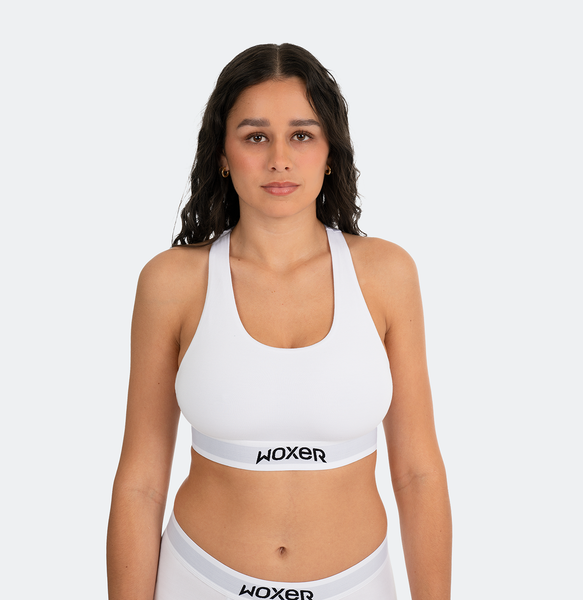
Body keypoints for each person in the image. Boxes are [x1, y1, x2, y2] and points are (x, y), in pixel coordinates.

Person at [107, 43, 452, 600]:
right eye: (255, 137)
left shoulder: (387, 275)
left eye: (302, 135)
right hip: (198, 581)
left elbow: (418, 473)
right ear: (222, 154)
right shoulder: (171, 283)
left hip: (359, 585)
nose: (279, 159)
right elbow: (141, 483)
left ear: (330, 151)